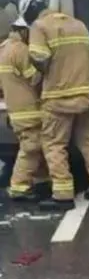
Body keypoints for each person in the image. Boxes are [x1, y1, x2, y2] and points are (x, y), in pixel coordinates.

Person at [21, 0, 89, 209]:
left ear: (30, 14)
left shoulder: (39, 27)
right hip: (87, 94)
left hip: (59, 97)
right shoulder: (78, 24)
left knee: (54, 144)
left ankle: (62, 195)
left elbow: (39, 57)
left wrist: (42, 72)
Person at [1, 21, 50, 202]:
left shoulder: (4, 49)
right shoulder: (20, 49)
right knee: (31, 147)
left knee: (37, 145)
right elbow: (34, 78)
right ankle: (19, 187)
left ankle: (41, 180)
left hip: (16, 109)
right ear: (23, 31)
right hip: (28, 109)